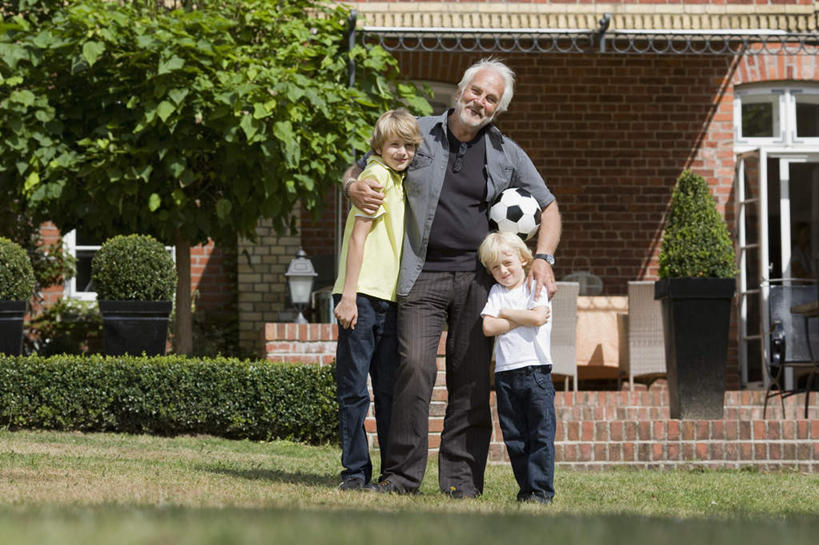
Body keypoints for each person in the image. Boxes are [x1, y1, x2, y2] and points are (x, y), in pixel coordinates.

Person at [344, 58, 561, 498]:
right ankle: (401, 477)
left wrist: (544, 257)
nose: (480, 101)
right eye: (476, 91)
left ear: (498, 109)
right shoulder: (419, 132)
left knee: (471, 379)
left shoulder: (507, 153)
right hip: (420, 276)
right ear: (460, 90)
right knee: (414, 369)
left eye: (491, 99)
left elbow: (550, 208)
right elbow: (364, 164)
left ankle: (461, 481)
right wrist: (351, 185)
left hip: (476, 283)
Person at [332, 109, 423, 491]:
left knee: (387, 391)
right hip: (362, 296)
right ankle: (355, 471)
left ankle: (389, 472)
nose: (402, 152)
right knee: (354, 389)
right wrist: (349, 295)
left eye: (409, 145)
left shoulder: (399, 180)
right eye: (394, 145)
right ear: (379, 146)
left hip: (390, 300)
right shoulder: (374, 176)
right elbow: (357, 237)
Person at [479, 231, 555, 504]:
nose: (502, 271)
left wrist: (508, 314)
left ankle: (541, 490)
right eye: (495, 267)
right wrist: (522, 317)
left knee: (540, 435)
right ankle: (527, 490)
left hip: (536, 372)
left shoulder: (535, 286)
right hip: (505, 374)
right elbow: (488, 327)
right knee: (515, 437)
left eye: (507, 263)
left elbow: (537, 318)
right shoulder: (496, 291)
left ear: (523, 259)